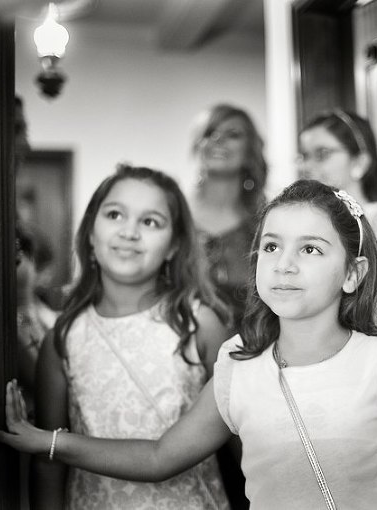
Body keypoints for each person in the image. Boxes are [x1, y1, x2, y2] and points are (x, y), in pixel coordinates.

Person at [0, 179, 377, 509]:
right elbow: (159, 456)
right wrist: (49, 442)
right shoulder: (237, 369)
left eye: (310, 250)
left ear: (352, 274)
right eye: (270, 247)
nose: (284, 264)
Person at [24, 164, 232, 509]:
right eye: (115, 215)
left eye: (150, 222)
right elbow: (49, 461)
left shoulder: (199, 325)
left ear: (173, 246)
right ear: (90, 233)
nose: (129, 232)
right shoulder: (64, 339)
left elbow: (245, 444)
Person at [298, 109, 377, 333]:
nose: (307, 166)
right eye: (304, 156)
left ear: (360, 162)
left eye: (322, 153)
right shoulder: (307, 231)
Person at [188, 103, 268, 330]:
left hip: (250, 352)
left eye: (232, 134)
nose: (218, 141)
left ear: (250, 149)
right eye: (209, 133)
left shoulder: (267, 222)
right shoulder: (174, 215)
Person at [15, 221, 58, 421]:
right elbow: (43, 381)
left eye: (27, 254)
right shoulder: (13, 322)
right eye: (17, 256)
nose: (24, 262)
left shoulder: (33, 311)